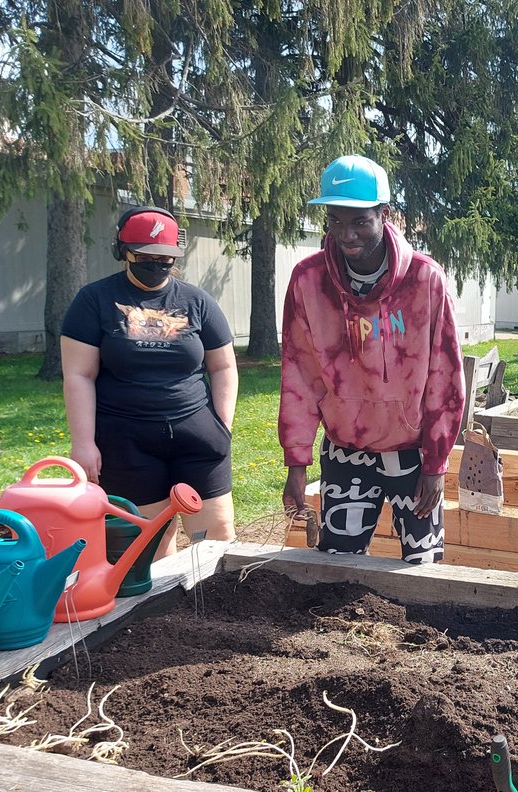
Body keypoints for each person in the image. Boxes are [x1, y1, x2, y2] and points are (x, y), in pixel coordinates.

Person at [279, 155, 465, 563]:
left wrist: (436, 463)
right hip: (345, 450)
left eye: (360, 221)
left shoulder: (424, 280)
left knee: (422, 565)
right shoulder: (309, 281)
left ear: (385, 213)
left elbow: (445, 376)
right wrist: (297, 461)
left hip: (411, 451)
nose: (347, 235)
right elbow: (299, 374)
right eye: (336, 221)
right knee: (338, 564)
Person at [61, 206, 238, 557]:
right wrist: (83, 443)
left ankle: (210, 606)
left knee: (215, 536)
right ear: (121, 250)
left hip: (197, 438)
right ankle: (163, 609)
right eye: (144, 256)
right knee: (150, 544)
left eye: (165, 258)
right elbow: (79, 375)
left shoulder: (197, 301)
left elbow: (223, 367)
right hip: (127, 441)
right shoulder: (93, 301)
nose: (155, 264)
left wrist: (222, 425)